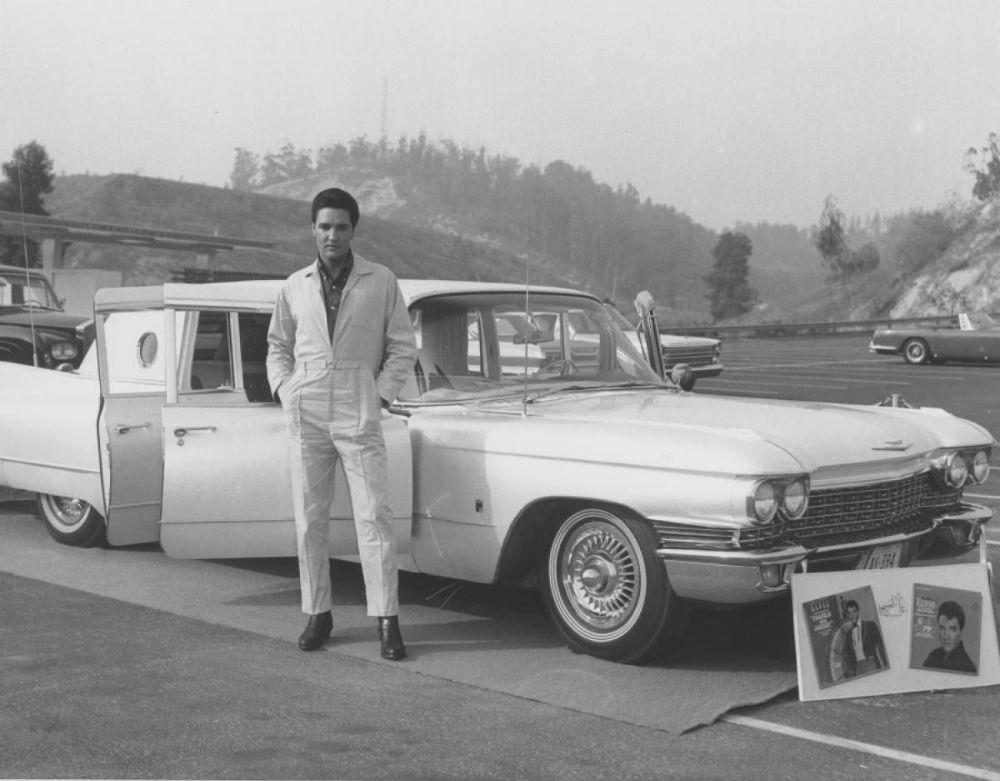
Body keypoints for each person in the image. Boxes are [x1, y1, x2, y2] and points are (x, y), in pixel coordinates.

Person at [266, 187, 417, 659]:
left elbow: (402, 346)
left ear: (354, 231)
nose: (332, 235)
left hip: (358, 405)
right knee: (310, 518)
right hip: (307, 408)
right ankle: (318, 612)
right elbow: (277, 346)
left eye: (341, 227)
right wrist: (285, 390)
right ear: (313, 229)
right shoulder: (294, 285)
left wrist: (379, 393)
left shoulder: (381, 280)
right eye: (324, 226)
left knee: (373, 515)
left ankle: (387, 619)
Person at [922, 601, 977, 673]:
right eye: (942, 628)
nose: (946, 636)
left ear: (961, 633)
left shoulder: (968, 667)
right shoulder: (933, 656)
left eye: (952, 629)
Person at [841, 599, 887, 677]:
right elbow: (849, 657)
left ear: (858, 611)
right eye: (849, 613)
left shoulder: (870, 625)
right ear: (847, 615)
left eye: (854, 611)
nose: (852, 615)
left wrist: (886, 665)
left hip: (871, 664)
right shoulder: (848, 634)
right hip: (858, 668)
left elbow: (881, 647)